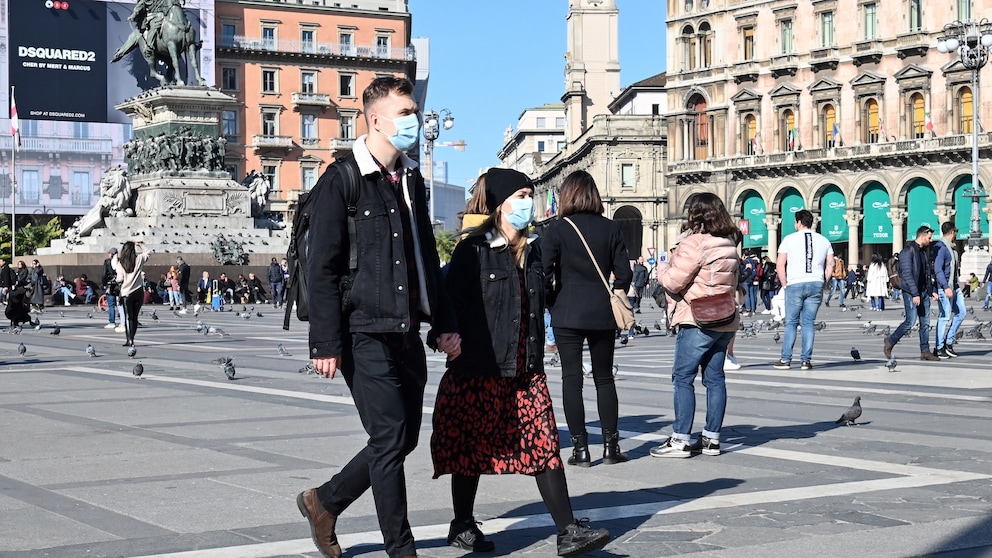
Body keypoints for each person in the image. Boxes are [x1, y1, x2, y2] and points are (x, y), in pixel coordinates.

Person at [296, 76, 460, 558]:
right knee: (389, 438)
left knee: (403, 437)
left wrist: (444, 323)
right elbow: (322, 266)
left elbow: (426, 258)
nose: (415, 120)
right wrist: (325, 342)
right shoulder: (341, 180)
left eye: (415, 112)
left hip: (406, 328)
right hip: (361, 329)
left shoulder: (410, 179)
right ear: (376, 120)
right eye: (406, 112)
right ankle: (400, 550)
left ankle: (324, 501)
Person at [432, 168, 611, 557]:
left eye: (531, 194)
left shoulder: (535, 252)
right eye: (521, 195)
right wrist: (443, 333)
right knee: (470, 451)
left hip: (525, 372)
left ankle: (567, 531)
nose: (528, 203)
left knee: (544, 445)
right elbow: (445, 299)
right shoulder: (473, 251)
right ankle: (462, 523)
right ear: (499, 205)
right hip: (479, 370)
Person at [541, 169, 633, 468]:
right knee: (604, 379)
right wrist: (616, 291)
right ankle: (611, 446)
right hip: (602, 312)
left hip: (566, 311)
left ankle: (580, 450)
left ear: (566, 196)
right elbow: (624, 272)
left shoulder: (556, 229)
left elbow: (542, 271)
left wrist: (551, 300)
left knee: (572, 380)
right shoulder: (611, 228)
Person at [652, 192, 741, 458]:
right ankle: (712, 439)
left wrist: (661, 268)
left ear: (696, 214)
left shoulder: (695, 243)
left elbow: (674, 282)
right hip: (725, 319)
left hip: (697, 319)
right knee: (715, 379)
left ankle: (680, 439)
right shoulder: (728, 243)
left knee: (683, 378)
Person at [774, 209, 833, 370]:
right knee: (808, 323)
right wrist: (824, 281)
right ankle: (805, 361)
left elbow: (780, 264)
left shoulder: (789, 239)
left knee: (791, 322)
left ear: (799, 222)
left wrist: (785, 284)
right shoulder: (824, 240)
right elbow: (831, 264)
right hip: (816, 283)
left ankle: (786, 360)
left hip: (795, 283)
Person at [884, 226, 940, 362]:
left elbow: (927, 273)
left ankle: (925, 351)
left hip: (923, 291)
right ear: (922, 236)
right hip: (910, 292)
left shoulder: (923, 252)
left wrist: (931, 289)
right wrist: (915, 293)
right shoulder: (907, 251)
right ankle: (890, 342)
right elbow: (907, 275)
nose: (930, 240)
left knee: (925, 322)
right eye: (929, 237)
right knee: (910, 321)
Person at [933, 222, 965, 359]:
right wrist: (945, 287)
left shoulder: (952, 248)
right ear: (952, 232)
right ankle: (939, 347)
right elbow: (938, 269)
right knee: (944, 316)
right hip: (945, 287)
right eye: (956, 231)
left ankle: (948, 342)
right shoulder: (941, 247)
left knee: (961, 312)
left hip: (955, 286)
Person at [112, 241, 152, 347]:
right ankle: (132, 338)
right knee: (135, 317)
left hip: (126, 293)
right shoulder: (138, 259)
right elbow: (148, 252)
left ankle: (129, 340)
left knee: (128, 317)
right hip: (138, 291)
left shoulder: (121, 263)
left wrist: (116, 280)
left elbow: (120, 278)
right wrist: (140, 244)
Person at [103, 248, 121, 330]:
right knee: (121, 305)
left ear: (111, 254)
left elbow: (104, 274)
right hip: (119, 285)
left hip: (110, 285)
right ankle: (123, 321)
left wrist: (104, 284)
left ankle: (112, 322)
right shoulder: (120, 261)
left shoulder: (107, 262)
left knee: (111, 305)